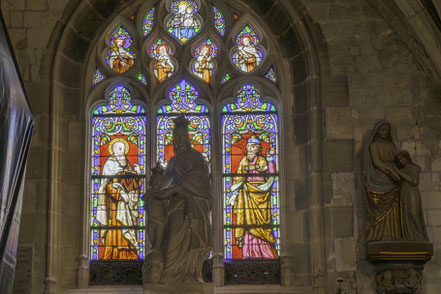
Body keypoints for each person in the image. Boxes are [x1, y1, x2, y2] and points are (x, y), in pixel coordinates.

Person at [159, 115, 212, 282]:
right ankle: (170, 273)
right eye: (176, 137)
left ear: (187, 138)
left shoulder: (197, 157)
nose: (179, 141)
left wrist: (177, 187)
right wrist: (158, 189)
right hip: (177, 205)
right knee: (173, 238)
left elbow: (200, 179)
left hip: (196, 205)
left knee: (194, 240)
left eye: (182, 137)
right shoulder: (173, 161)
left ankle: (194, 273)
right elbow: (164, 184)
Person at [229, 136, 278, 258]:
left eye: (253, 146)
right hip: (246, 195)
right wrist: (234, 195)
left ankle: (265, 254)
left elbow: (271, 173)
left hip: (262, 194)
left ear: (258, 149)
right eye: (249, 146)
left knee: (262, 225)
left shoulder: (262, 160)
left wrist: (270, 157)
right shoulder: (244, 161)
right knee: (248, 225)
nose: (250, 148)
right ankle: (248, 254)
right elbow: (238, 179)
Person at [96, 138, 142, 260]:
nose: (121, 151)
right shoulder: (110, 164)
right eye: (118, 148)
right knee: (115, 230)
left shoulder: (127, 164)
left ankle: (129, 255)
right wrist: (120, 192)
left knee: (127, 230)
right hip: (114, 206)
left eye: (122, 148)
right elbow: (107, 186)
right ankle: (112, 256)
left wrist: (137, 174)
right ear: (113, 150)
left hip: (127, 206)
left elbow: (134, 184)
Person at [363, 120, 402, 242]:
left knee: (394, 205)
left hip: (393, 176)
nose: (385, 132)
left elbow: (398, 160)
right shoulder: (373, 145)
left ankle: (392, 235)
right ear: (377, 131)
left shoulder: (391, 145)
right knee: (380, 202)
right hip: (381, 176)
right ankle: (378, 235)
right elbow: (377, 162)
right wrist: (389, 172)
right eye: (383, 130)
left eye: (387, 130)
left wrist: (401, 173)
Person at [394, 150, 429, 241]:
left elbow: (414, 181)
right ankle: (409, 237)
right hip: (403, 192)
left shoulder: (415, 168)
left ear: (407, 158)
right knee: (405, 215)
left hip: (412, 192)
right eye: (399, 160)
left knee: (414, 213)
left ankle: (419, 237)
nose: (401, 161)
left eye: (402, 158)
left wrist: (401, 174)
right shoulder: (401, 170)